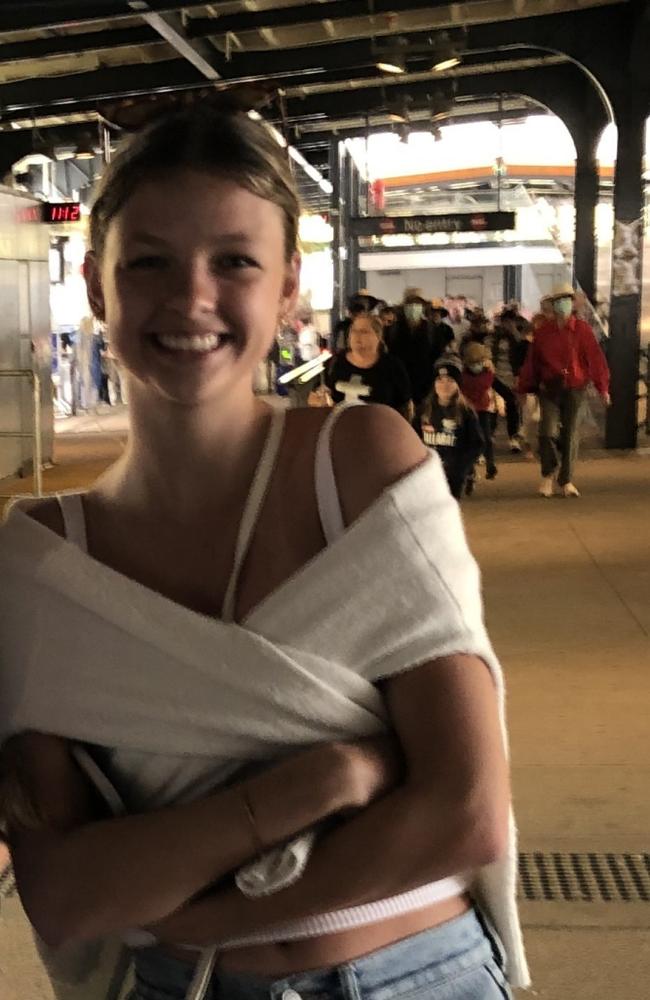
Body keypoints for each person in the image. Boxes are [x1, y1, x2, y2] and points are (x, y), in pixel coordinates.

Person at [0, 107, 528, 1000]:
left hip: (417, 976)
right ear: (97, 286)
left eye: (235, 262)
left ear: (289, 287)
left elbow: (464, 813)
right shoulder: (44, 564)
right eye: (149, 261)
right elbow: (63, 889)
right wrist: (314, 785)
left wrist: (194, 916)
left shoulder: (359, 462)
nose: (191, 296)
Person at [518, 282, 610, 498]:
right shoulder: (543, 333)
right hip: (549, 389)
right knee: (546, 432)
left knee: (571, 434)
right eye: (559, 301)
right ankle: (548, 473)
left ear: (572, 304)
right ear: (553, 304)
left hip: (575, 388)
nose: (563, 305)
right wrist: (523, 388)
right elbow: (532, 363)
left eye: (566, 300)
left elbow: (596, 361)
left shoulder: (583, 331)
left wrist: (603, 388)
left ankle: (566, 479)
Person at [324, 313, 412, 417]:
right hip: (343, 429)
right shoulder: (335, 362)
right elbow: (325, 394)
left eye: (364, 332)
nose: (357, 336)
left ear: (378, 336)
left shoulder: (392, 366)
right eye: (354, 331)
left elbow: (405, 406)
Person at [420, 358, 484, 500]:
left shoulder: (465, 412)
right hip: (427, 472)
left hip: (453, 474)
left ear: (457, 385)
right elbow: (413, 438)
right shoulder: (424, 410)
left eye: (450, 381)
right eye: (440, 380)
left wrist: (462, 467)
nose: (444, 385)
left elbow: (477, 443)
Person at [384, 288, 437, 419]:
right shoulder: (392, 331)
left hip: (424, 388)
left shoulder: (432, 331)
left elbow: (436, 357)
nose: (414, 308)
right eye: (410, 304)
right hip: (398, 388)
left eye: (417, 304)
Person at [462, 341, 498, 482]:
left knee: (486, 439)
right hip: (468, 411)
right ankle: (470, 469)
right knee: (470, 441)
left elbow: (483, 385)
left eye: (479, 362)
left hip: (482, 410)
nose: (476, 365)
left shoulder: (485, 374)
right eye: (473, 362)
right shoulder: (465, 374)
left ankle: (490, 465)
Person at [428, 298, 456, 362]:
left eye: (437, 312)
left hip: (442, 359)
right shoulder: (424, 328)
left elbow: (452, 345)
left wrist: (449, 350)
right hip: (427, 359)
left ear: (441, 314)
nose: (435, 314)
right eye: (433, 312)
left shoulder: (447, 329)